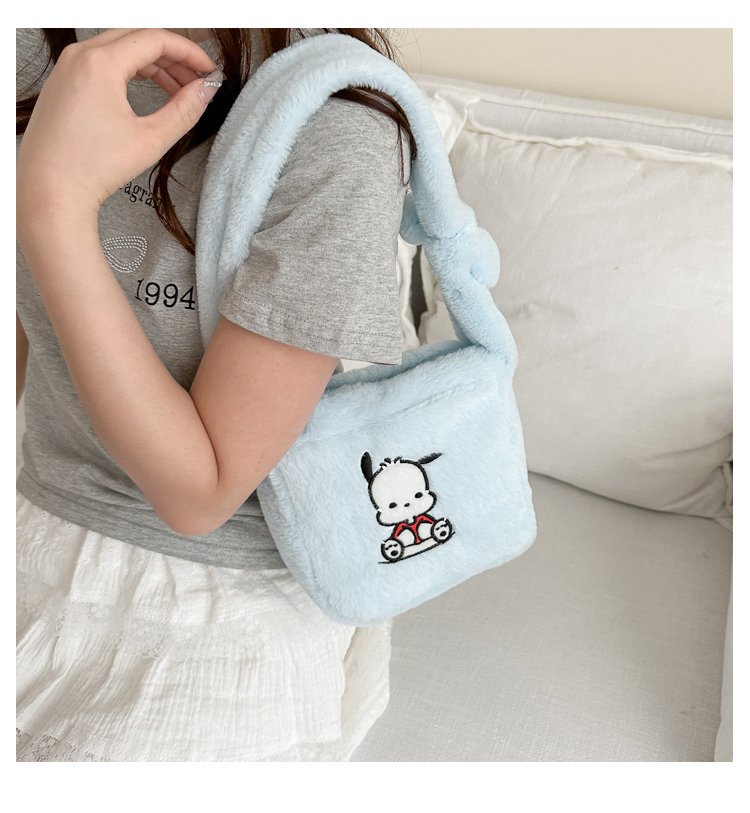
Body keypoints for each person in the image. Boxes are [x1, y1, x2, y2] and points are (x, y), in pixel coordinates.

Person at [16, 27, 414, 761]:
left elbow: (201, 494)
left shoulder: (335, 127)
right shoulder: (34, 49)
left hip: (206, 596)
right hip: (33, 520)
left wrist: (53, 206)